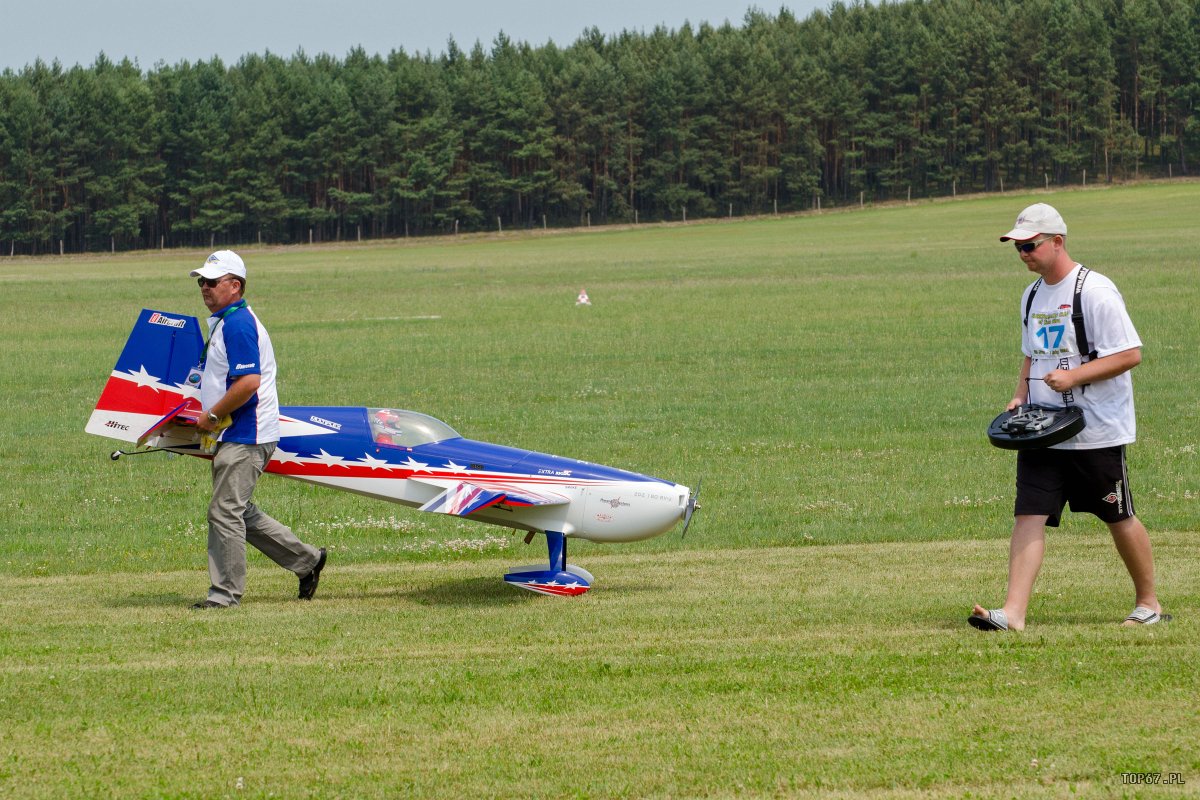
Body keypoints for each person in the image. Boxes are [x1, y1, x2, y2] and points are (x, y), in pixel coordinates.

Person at [969, 204, 1167, 631]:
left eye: (1030, 245)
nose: (1023, 253)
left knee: (1117, 514)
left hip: (1095, 429)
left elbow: (1130, 354)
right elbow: (1032, 353)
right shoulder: (1032, 295)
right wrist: (1020, 393)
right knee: (1029, 513)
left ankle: (1148, 603)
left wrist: (1074, 376)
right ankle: (1014, 614)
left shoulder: (1094, 291)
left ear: (1057, 241)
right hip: (1041, 428)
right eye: (1017, 247)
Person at [190, 250, 326, 608]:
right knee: (238, 509)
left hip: (247, 434)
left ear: (235, 286)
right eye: (201, 281)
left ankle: (224, 596)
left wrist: (213, 417)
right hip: (236, 433)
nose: (204, 287)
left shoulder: (237, 324)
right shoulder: (226, 321)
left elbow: (249, 381)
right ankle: (308, 561)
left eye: (212, 282)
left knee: (224, 512)